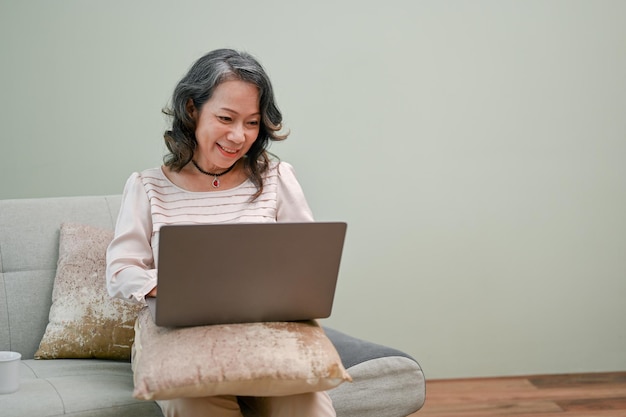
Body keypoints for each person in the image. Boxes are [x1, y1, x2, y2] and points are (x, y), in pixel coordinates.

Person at [105, 49, 336, 417]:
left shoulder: (277, 178)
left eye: (252, 122)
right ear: (192, 110)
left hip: (267, 337)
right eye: (226, 118)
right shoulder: (147, 187)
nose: (237, 136)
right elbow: (120, 272)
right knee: (192, 399)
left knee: (305, 402)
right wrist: (179, 286)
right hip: (182, 340)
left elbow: (307, 264)